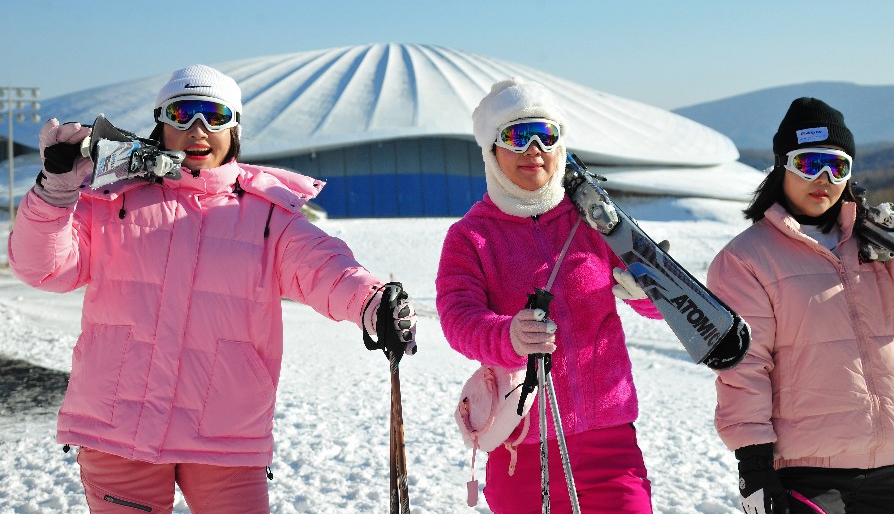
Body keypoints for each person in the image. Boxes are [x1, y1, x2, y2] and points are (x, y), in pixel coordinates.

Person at [8, 64, 417, 513]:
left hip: (224, 432)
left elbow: (326, 268)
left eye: (215, 116)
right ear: (160, 123)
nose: (198, 129)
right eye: (182, 114)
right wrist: (54, 193)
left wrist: (372, 302)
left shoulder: (267, 216)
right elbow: (42, 269)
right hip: (118, 426)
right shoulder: (112, 201)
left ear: (234, 127)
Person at [706, 97, 894, 514]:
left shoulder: (878, 240)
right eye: (809, 164)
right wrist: (754, 466)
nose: (824, 178)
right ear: (781, 166)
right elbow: (744, 367)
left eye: (838, 166)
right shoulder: (745, 260)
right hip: (809, 463)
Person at [437, 78, 664, 513]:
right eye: (517, 136)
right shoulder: (471, 237)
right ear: (492, 150)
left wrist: (645, 291)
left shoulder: (597, 222)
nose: (534, 149)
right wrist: (508, 336)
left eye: (546, 134)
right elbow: (457, 318)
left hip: (610, 444)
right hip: (522, 449)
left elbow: (665, 310)